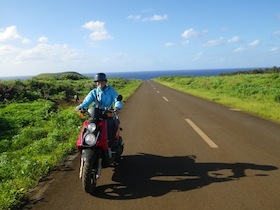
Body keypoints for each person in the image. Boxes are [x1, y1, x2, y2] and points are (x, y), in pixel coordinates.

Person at [75, 73, 123, 155]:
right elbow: (86, 101)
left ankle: (111, 146)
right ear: (96, 83)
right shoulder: (94, 92)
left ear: (105, 81)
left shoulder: (111, 91)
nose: (100, 83)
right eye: (98, 81)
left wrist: (117, 107)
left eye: (102, 81)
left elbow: (117, 99)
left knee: (111, 126)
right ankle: (88, 141)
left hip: (107, 113)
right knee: (89, 127)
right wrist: (80, 107)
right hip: (96, 114)